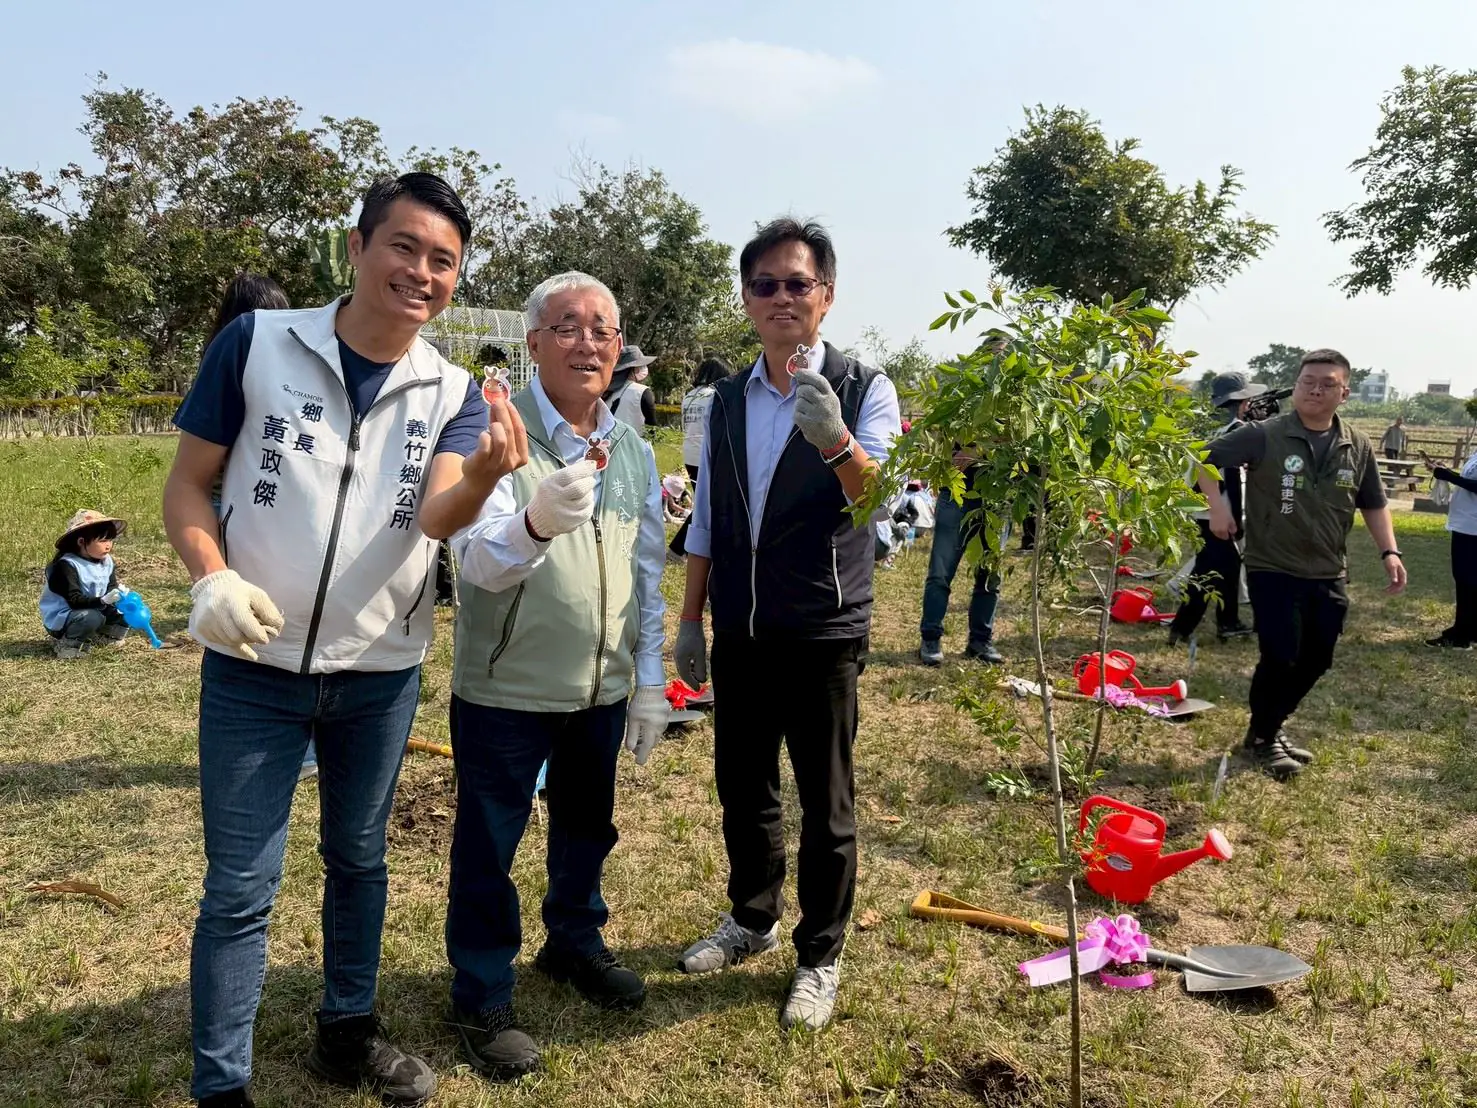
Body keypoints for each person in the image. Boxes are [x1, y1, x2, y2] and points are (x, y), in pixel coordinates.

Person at [163, 172, 529, 1108]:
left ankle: (345, 1032)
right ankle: (222, 1085)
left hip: (378, 672)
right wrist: (211, 577)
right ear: (357, 247)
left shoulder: (449, 389)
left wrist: (487, 474)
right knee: (240, 886)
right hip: (253, 665)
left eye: (443, 261)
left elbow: (440, 513)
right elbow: (187, 486)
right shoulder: (258, 345)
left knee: (359, 860)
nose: (421, 272)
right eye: (403, 247)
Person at [673, 218, 900, 1031]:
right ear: (745, 299)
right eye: (763, 284)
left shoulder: (865, 386)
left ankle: (820, 952)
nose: (779, 298)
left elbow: (883, 509)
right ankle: (752, 918)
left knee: (825, 801)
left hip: (822, 626)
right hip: (739, 628)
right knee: (743, 784)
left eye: (796, 284)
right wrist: (691, 619)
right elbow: (707, 513)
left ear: (826, 297)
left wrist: (835, 439)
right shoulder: (725, 398)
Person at [444, 272, 668, 1079]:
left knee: (586, 827)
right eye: (566, 326)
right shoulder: (496, 434)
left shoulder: (632, 449)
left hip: (600, 688)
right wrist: (536, 522)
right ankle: (479, 990)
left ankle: (573, 942)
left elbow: (646, 573)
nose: (587, 342)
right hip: (507, 685)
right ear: (533, 342)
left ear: (618, 349)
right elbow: (471, 561)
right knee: (488, 843)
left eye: (602, 329)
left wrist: (646, 680)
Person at [1198, 348, 1406, 781]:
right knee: (1280, 654)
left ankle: (1267, 728)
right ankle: (1263, 740)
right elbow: (1202, 459)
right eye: (1307, 381)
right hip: (1272, 564)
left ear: (1344, 392)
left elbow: (1373, 502)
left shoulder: (1358, 443)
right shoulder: (1264, 434)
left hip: (1329, 568)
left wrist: (1390, 551)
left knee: (1318, 658)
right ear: (1295, 386)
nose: (1315, 389)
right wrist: (1218, 509)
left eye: (1327, 383)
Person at [205, 274, 324, 782]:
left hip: (233, 494)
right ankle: (304, 745)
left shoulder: (225, 350)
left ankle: (283, 740)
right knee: (284, 617)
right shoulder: (273, 352)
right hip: (274, 497)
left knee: (245, 611)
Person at [1167, 371, 1260, 646]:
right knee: (1205, 572)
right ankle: (1182, 627)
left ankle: (1228, 622)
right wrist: (1230, 516)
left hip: (1201, 508)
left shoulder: (1205, 426)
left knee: (1227, 567)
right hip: (1216, 512)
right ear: (1242, 402)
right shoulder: (1235, 431)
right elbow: (1231, 479)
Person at [917, 447, 1006, 666]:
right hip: (957, 492)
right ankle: (931, 638)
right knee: (940, 573)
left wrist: (980, 447)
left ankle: (980, 641)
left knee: (990, 576)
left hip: (998, 495)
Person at [39, 509, 129, 658]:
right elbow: (74, 601)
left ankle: (107, 636)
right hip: (67, 616)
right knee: (91, 617)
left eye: (111, 540)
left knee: (128, 605)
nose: (108, 546)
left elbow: (111, 586)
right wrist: (102, 600)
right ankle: (68, 644)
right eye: (103, 540)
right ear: (81, 542)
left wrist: (118, 595)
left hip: (96, 606)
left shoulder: (107, 561)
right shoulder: (66, 566)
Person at [671, 356, 733, 558]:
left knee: (706, 502)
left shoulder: (690, 396)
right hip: (709, 454)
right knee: (708, 505)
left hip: (690, 453)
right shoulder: (716, 395)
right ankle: (677, 548)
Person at [1419, 446, 1477, 649]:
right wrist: (1446, 472)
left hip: (1473, 527)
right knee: (1467, 582)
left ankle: (1461, 637)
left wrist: (1450, 477)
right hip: (1465, 524)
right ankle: (1470, 630)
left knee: (1466, 581)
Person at [605, 345, 656, 433]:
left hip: (608, 444)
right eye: (642, 365)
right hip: (635, 445)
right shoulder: (642, 392)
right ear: (635, 369)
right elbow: (652, 428)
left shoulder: (605, 391)